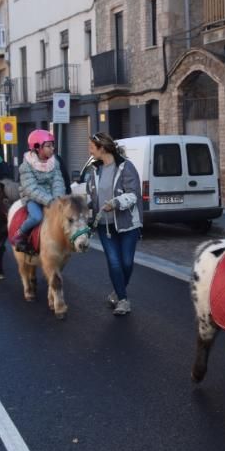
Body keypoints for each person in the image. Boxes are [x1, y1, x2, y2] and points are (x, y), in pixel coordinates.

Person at [86, 132, 143, 316]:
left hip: (127, 224)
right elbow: (90, 197)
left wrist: (116, 203)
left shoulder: (126, 167)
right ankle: (123, 300)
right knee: (114, 263)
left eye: (92, 147)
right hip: (105, 226)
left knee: (126, 263)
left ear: (102, 148)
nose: (90, 151)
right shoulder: (95, 170)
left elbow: (133, 194)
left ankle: (117, 292)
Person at [12, 129, 66, 252]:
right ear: (37, 147)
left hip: (52, 197)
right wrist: (49, 201)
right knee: (37, 217)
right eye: (48, 146)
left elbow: (58, 182)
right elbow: (31, 188)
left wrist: (57, 199)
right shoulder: (26, 166)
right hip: (32, 198)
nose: (52, 148)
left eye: (52, 145)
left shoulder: (55, 163)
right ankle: (20, 234)